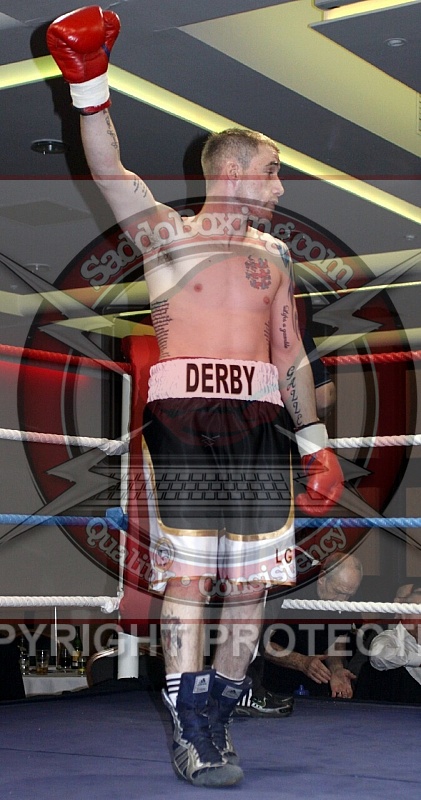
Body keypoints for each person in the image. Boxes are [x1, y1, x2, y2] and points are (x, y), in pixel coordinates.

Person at [47, 6, 343, 788]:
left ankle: (216, 716)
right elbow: (110, 168)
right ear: (234, 172)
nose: (280, 184)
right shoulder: (166, 236)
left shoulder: (275, 254)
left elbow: (288, 350)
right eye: (271, 169)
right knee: (187, 581)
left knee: (250, 584)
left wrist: (314, 441)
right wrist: (89, 85)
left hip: (262, 422)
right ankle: (189, 721)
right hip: (184, 419)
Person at [239, 553, 362, 709]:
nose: (342, 600)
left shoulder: (344, 598)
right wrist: (301, 661)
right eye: (338, 592)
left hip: (315, 680)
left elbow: (336, 643)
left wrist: (336, 669)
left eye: (349, 595)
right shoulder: (288, 586)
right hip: (273, 681)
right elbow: (258, 643)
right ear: (322, 578)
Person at [355, 587, 421, 704]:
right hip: (398, 707)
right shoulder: (390, 637)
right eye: (419, 612)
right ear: (404, 615)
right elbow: (378, 655)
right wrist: (418, 660)